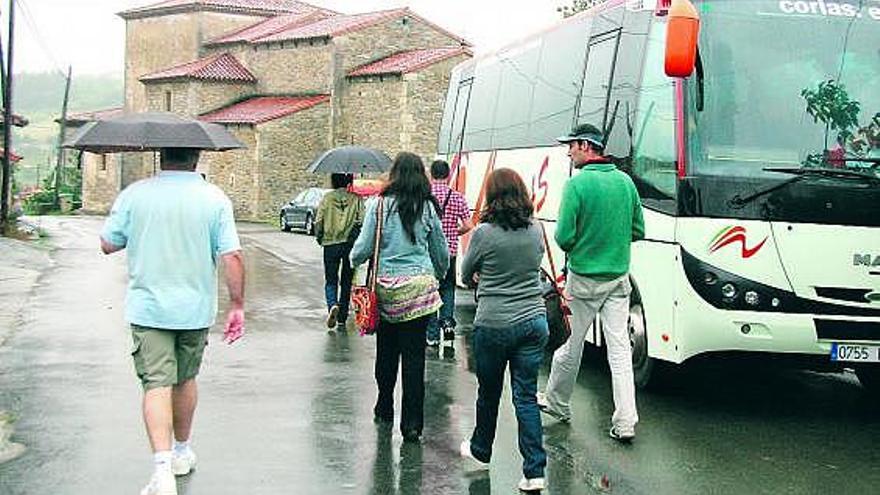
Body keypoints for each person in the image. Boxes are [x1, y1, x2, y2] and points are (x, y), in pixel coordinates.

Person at [100, 148, 245, 495]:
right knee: (185, 379)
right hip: (194, 310)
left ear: (160, 155)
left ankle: (162, 470)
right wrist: (237, 305)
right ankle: (181, 451)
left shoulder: (135, 194)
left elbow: (107, 243)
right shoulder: (215, 199)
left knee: (156, 385)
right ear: (196, 158)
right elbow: (232, 256)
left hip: (148, 309)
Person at [538, 123, 645, 442]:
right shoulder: (626, 183)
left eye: (571, 145)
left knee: (571, 345)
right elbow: (638, 230)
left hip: (583, 279)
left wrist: (585, 243)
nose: (568, 151)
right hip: (617, 278)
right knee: (620, 351)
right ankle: (626, 421)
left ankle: (557, 403)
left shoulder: (577, 185)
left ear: (586, 146)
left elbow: (564, 237)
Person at [459, 168, 548, 493]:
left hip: (494, 323)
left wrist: (480, 277)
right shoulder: (536, 230)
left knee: (490, 392)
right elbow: (533, 266)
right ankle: (534, 471)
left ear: (492, 196)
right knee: (525, 397)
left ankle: (481, 449)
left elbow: (466, 273)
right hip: (533, 321)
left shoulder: (483, 233)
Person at [350, 151, 449, 442]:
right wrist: (439, 275)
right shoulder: (428, 208)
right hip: (419, 291)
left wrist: (354, 261)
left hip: (386, 291)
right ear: (421, 175)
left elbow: (363, 248)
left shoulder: (378, 206)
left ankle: (384, 405)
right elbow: (440, 250)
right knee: (415, 358)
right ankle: (412, 424)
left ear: (394, 174)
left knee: (387, 352)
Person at [427, 159, 473, 346]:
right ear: (448, 175)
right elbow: (469, 225)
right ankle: (447, 323)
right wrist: (454, 232)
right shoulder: (457, 197)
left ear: (431, 174)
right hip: (450, 252)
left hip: (429, 252)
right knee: (447, 288)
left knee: (430, 291)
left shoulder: (425, 195)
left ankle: (431, 335)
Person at [315, 173, 364, 332]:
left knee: (331, 279)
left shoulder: (327, 198)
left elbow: (319, 220)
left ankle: (332, 305)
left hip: (330, 243)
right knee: (346, 280)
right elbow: (361, 221)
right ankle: (342, 315)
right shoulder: (356, 199)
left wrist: (319, 236)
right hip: (349, 245)